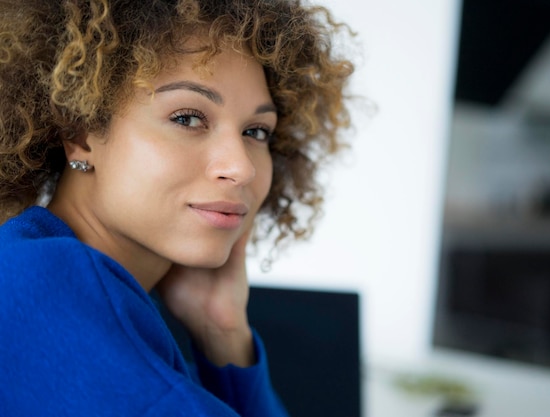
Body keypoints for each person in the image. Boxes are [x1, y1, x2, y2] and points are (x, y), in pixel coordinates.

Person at [0, 0, 355, 415]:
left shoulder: (109, 302)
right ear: (81, 134)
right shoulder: (35, 281)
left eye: (256, 131)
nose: (240, 168)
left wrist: (221, 328)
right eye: (188, 118)